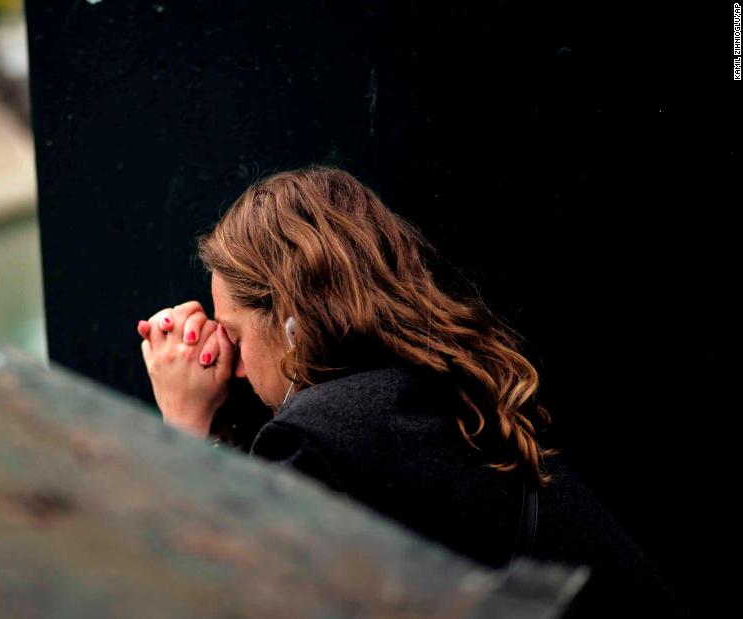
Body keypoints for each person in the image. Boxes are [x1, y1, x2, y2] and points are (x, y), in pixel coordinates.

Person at [135, 165, 688, 617]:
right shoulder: (432, 394)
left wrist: (182, 421)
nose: (232, 368)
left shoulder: (325, 436)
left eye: (232, 335)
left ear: (288, 317)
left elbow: (212, 598)